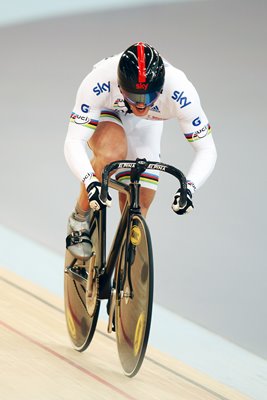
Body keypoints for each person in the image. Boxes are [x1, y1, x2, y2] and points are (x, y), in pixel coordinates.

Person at [64, 42, 217, 260]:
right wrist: (90, 181)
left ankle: (124, 271)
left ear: (162, 88)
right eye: (134, 97)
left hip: (147, 124)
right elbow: (74, 141)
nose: (141, 105)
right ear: (120, 85)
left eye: (148, 97)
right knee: (112, 153)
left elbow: (207, 149)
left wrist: (189, 188)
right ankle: (79, 218)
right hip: (110, 110)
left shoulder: (182, 92)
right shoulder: (99, 81)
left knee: (141, 201)